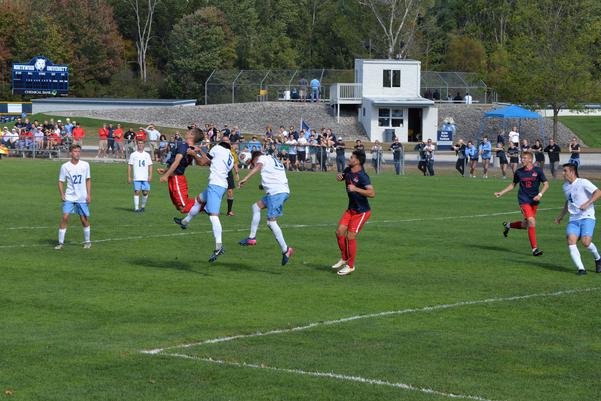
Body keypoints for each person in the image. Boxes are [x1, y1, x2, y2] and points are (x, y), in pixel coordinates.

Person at [173, 140, 235, 263]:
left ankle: (219, 246)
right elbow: (212, 162)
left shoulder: (217, 148)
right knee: (198, 200)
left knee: (213, 216)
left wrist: (193, 153)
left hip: (215, 185)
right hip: (221, 185)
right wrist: (200, 151)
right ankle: (185, 222)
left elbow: (202, 162)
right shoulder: (230, 156)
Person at [238, 151, 294, 265]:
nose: (251, 165)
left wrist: (245, 178)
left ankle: (286, 250)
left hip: (276, 193)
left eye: (250, 163)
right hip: (280, 191)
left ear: (253, 158)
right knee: (256, 207)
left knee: (271, 222)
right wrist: (263, 185)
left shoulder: (261, 159)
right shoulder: (271, 159)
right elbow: (275, 174)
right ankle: (252, 238)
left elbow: (258, 166)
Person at [495, 151, 549, 257]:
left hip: (534, 200)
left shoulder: (538, 171)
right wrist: (501, 192)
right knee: (532, 222)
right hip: (523, 200)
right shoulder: (519, 172)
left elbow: (546, 184)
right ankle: (535, 249)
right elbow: (513, 185)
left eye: (524, 158)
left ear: (530, 159)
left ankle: (508, 225)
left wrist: (540, 195)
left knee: (526, 225)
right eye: (521, 158)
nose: (522, 160)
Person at [332, 150, 375, 276]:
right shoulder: (348, 170)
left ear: (357, 161)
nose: (349, 159)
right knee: (339, 232)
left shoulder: (363, 176)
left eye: (351, 157)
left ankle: (350, 266)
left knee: (350, 237)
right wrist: (340, 176)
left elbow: (372, 193)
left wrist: (356, 188)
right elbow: (343, 176)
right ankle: (344, 257)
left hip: (361, 212)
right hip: (350, 209)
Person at [554, 163, 601, 274]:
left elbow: (598, 192)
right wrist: (560, 216)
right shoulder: (565, 186)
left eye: (565, 170)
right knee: (571, 240)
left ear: (572, 172)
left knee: (585, 242)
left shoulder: (583, 182)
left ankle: (598, 259)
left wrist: (587, 203)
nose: (563, 173)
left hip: (587, 216)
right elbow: (568, 201)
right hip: (574, 219)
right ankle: (581, 269)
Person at [55, 145, 91, 250]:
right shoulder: (65, 166)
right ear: (71, 153)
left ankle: (88, 241)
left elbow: (88, 180)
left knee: (83, 219)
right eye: (75, 151)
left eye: (79, 151)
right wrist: (62, 194)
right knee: (65, 217)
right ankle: (60, 243)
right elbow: (60, 181)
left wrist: (89, 194)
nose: (77, 153)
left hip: (82, 197)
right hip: (70, 197)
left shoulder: (85, 165)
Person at [158, 129, 200, 214]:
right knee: (179, 207)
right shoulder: (189, 148)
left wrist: (166, 175)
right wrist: (166, 171)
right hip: (174, 178)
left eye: (189, 131)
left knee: (183, 207)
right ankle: (203, 202)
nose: (187, 132)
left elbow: (177, 162)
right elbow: (180, 163)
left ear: (192, 135)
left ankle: (205, 204)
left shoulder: (184, 146)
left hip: (177, 179)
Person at [128, 139, 153, 212]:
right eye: (139, 143)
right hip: (137, 177)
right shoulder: (133, 154)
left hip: (145, 177)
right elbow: (130, 165)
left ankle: (142, 207)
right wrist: (129, 176)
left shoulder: (147, 155)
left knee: (145, 192)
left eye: (141, 143)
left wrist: (150, 175)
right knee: (137, 192)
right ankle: (136, 208)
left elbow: (150, 165)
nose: (140, 144)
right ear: (137, 144)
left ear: (144, 145)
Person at [222, 134, 239, 217]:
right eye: (224, 140)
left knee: (230, 191)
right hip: (220, 172)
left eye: (227, 140)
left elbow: (235, 162)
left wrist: (236, 173)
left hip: (228, 173)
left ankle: (229, 211)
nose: (226, 142)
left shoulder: (232, 150)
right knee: (219, 191)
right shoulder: (219, 149)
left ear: (229, 141)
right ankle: (208, 208)